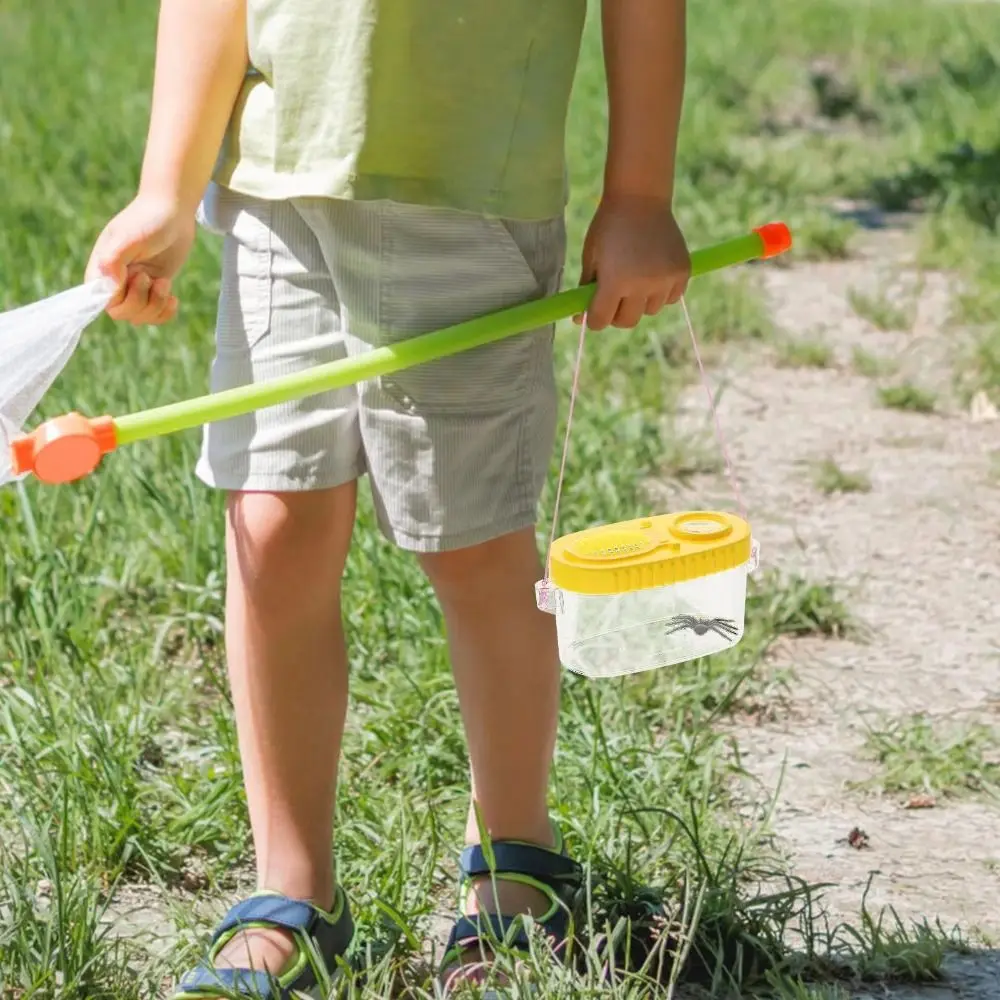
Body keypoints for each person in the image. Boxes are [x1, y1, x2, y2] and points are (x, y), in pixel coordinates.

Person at [85, 0, 691, 995]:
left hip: (473, 204)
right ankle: (293, 887)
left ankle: (513, 861)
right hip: (279, 197)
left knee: (475, 545)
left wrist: (636, 192)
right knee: (269, 525)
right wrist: (166, 186)